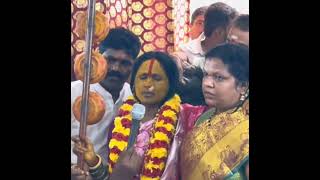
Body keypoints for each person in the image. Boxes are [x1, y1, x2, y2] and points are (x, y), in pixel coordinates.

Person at [72, 51, 182, 179]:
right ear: (133, 81)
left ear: (171, 83)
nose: (148, 85)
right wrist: (93, 161)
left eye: (157, 78)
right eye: (143, 77)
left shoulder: (181, 121)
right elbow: (111, 176)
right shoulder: (119, 122)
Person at [71, 27, 141, 179]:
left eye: (124, 63)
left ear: (133, 65)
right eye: (110, 60)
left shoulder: (135, 99)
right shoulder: (75, 93)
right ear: (98, 57)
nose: (115, 68)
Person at [178, 43, 249, 180]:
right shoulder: (204, 118)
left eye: (219, 77)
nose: (207, 83)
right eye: (206, 74)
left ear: (242, 86)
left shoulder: (245, 126)